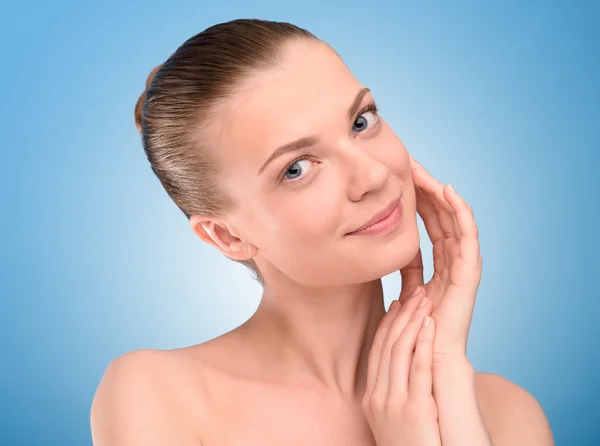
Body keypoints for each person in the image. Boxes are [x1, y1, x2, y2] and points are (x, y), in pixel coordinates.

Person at [90, 19, 554, 445]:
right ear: (226, 237)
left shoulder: (507, 413)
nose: (372, 174)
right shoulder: (160, 395)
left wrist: (442, 371)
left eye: (361, 121)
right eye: (296, 168)